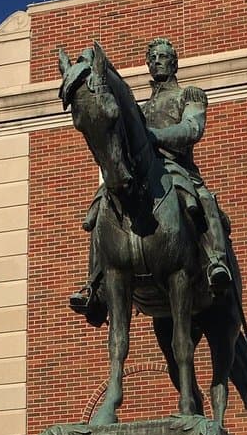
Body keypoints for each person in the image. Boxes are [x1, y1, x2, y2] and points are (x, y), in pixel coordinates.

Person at [69, 37, 232, 321]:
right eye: (153, 58)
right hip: (144, 172)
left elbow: (192, 128)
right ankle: (95, 283)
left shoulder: (189, 95)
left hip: (177, 167)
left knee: (204, 199)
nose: (157, 62)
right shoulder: (142, 109)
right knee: (102, 204)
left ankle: (216, 262)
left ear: (174, 63)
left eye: (163, 57)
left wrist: (153, 136)